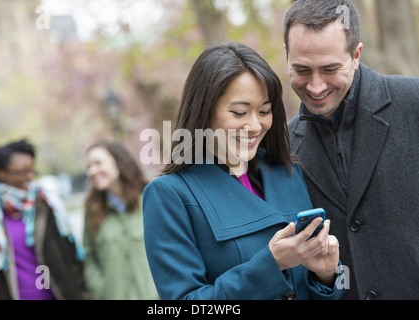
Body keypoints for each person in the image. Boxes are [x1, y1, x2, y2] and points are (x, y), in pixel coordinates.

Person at [142, 42, 345, 300]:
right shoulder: (170, 195)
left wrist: (327, 277)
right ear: (204, 112)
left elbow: (316, 289)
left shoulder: (288, 173)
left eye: (264, 111)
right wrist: (271, 265)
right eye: (239, 112)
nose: (254, 125)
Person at [284, 0, 419, 300]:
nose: (316, 87)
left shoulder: (414, 103)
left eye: (330, 69)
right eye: (302, 70)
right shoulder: (283, 146)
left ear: (356, 55)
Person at [0, 139, 90, 300]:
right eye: (22, 171)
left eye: (32, 170)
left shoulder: (47, 204)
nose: (30, 177)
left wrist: (82, 292)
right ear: (1, 173)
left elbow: (70, 255)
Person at [83, 141, 158, 299]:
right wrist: (101, 291)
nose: (92, 171)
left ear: (118, 162)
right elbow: (89, 256)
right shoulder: (92, 211)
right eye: (89, 166)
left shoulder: (150, 199)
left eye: (98, 163)